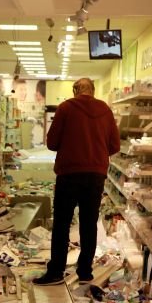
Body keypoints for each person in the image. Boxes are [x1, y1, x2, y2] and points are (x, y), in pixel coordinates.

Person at [34, 77, 120, 285]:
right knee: (88, 223)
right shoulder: (105, 110)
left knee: (62, 223)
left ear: (75, 90)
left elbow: (52, 143)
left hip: (69, 173)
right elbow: (114, 145)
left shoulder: (66, 108)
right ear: (93, 90)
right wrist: (96, 151)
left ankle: (56, 272)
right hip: (95, 175)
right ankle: (85, 272)